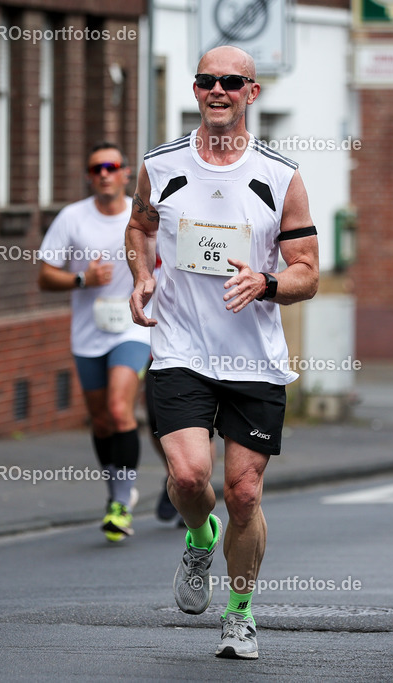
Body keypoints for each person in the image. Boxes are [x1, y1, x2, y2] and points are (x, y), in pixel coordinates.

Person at [125, 46, 319, 660]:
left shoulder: (280, 177)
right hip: (180, 345)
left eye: (231, 82)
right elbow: (140, 226)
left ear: (251, 93)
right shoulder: (159, 165)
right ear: (195, 89)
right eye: (208, 81)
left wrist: (264, 284)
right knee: (187, 477)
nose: (218, 91)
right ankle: (199, 534)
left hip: (253, 359)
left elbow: (308, 272)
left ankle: (240, 613)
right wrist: (140, 276)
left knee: (243, 493)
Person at [38, 142, 150, 542]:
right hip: (88, 334)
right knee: (101, 420)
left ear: (124, 173)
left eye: (112, 166)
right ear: (89, 176)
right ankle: (116, 492)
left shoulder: (141, 216)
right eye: (96, 167)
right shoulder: (73, 218)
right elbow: (45, 274)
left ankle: (121, 504)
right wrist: (82, 279)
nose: (104, 173)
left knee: (121, 410)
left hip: (132, 329)